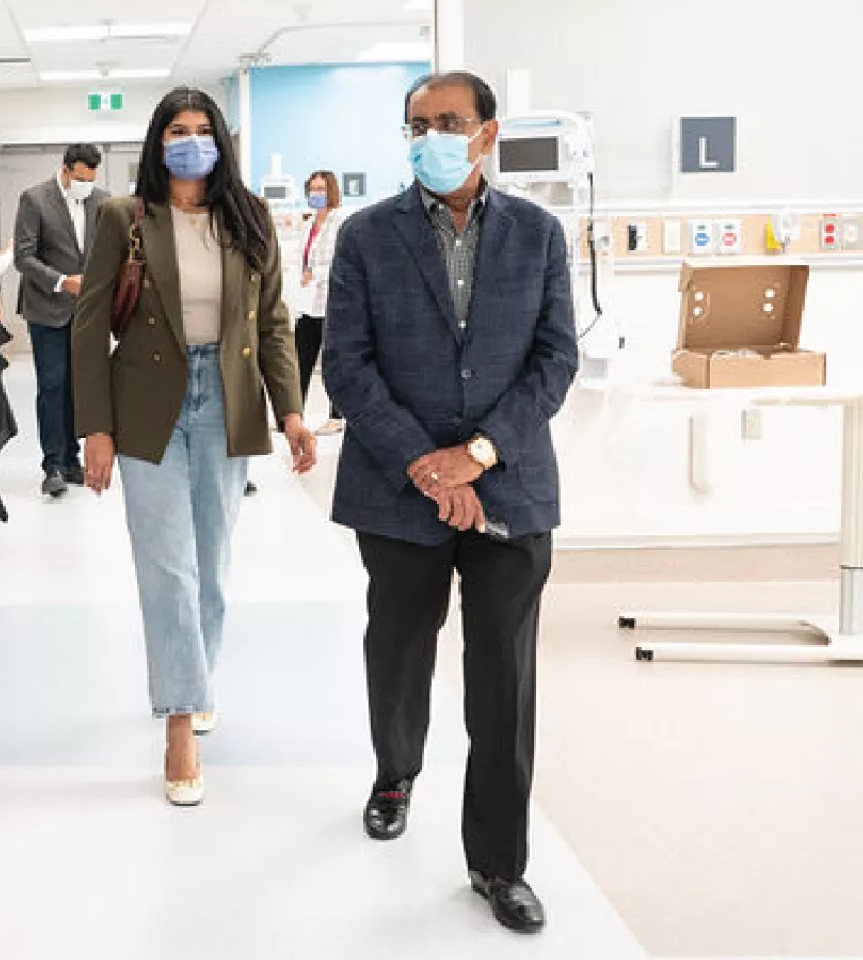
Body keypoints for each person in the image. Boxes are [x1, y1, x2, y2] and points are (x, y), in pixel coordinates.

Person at [322, 72, 577, 934]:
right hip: (397, 492)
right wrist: (428, 469)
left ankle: (498, 864)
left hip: (510, 486)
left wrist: (473, 458)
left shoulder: (539, 236)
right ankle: (395, 773)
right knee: (398, 648)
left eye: (449, 122)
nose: (432, 135)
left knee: (504, 681)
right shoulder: (365, 237)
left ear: (486, 133)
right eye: (417, 124)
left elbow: (554, 362)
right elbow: (346, 366)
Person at [74, 88, 317, 807]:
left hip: (227, 399)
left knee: (211, 565)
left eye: (202, 130)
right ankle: (179, 722)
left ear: (221, 141)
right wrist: (95, 428)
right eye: (177, 130)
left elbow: (272, 321)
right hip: (147, 402)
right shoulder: (127, 218)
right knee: (168, 568)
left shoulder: (249, 217)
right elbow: (90, 328)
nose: (189, 142)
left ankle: (196, 676)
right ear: (158, 141)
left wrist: (294, 412)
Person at [15, 144, 110, 498]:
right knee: (53, 385)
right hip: (47, 307)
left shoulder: (102, 201)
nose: (86, 185)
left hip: (88, 311)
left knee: (80, 386)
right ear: (66, 169)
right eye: (81, 178)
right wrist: (61, 281)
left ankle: (73, 460)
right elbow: (24, 257)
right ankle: (53, 463)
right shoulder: (35, 199)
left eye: (91, 179)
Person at [294, 170, 347, 436]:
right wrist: (306, 273)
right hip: (308, 302)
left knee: (332, 362)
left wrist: (314, 274)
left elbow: (342, 261)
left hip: (332, 302)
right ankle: (293, 415)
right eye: (312, 189)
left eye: (321, 189)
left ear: (332, 191)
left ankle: (336, 417)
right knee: (300, 358)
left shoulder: (340, 220)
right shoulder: (310, 222)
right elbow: (304, 259)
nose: (316, 194)